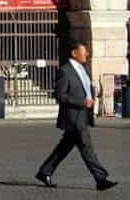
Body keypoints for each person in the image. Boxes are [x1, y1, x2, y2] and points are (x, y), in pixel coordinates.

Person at [36, 42, 117, 191]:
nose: (86, 54)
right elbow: (60, 95)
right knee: (87, 148)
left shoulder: (83, 69)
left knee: (64, 147)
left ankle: (45, 171)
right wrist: (81, 101)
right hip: (74, 116)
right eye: (84, 51)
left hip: (83, 115)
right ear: (74, 53)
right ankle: (101, 179)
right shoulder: (65, 71)